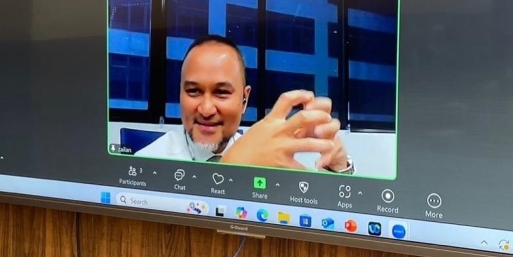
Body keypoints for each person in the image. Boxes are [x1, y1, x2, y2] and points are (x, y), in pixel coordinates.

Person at [136, 34, 354, 173]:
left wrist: (338, 166)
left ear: (244, 99)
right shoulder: (147, 163)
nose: (206, 109)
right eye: (193, 91)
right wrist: (232, 166)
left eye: (222, 92)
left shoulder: (269, 154)